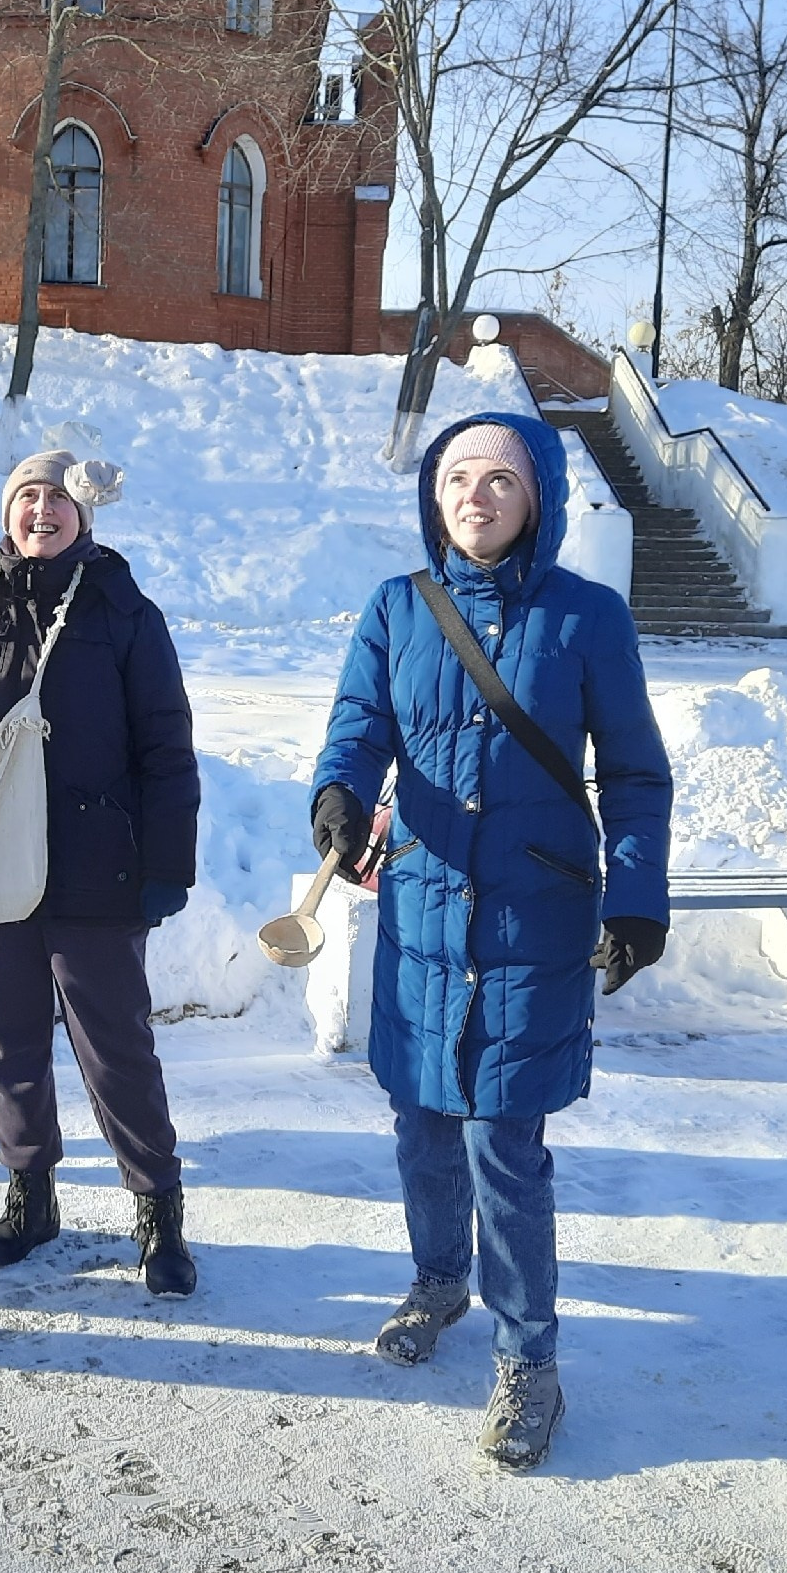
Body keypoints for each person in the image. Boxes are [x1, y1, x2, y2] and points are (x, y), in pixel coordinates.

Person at [309, 412, 671, 1471]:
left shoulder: (589, 617)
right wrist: (335, 794)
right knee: (421, 1124)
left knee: (502, 1148)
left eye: (498, 481)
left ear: (536, 499)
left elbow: (636, 773)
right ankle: (435, 1280)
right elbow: (356, 726)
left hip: (534, 918)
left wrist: (636, 895)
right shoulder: (395, 607)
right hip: (422, 910)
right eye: (456, 479)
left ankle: (531, 1363)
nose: (475, 497)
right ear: (433, 497)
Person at [0, 452, 203, 1294]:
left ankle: (158, 1209)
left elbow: (167, 746)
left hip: (97, 864)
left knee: (115, 1047)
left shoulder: (125, 611)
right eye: (28, 495)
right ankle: (31, 1197)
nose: (42, 510)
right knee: (6, 1040)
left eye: (59, 497)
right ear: (8, 510)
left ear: (86, 517)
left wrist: (168, 863)